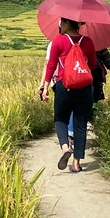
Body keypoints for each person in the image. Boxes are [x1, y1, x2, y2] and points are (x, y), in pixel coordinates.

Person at [38, 17, 98, 173]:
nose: (60, 26)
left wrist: (44, 86)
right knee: (80, 124)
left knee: (60, 119)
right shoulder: (88, 42)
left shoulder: (59, 41)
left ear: (66, 23)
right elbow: (93, 65)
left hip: (65, 86)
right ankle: (77, 163)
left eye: (62, 23)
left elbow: (51, 65)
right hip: (84, 88)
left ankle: (65, 147)